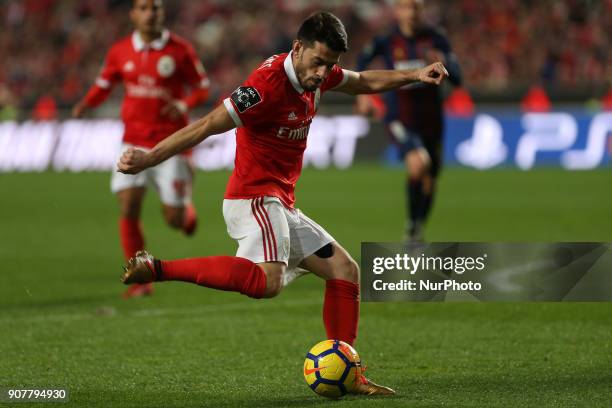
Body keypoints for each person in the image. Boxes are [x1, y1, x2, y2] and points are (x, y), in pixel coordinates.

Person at [118, 11, 447, 395]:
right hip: (253, 197)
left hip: (281, 203)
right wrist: (150, 157)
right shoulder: (265, 87)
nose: (324, 73)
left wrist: (414, 74)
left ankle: (349, 370)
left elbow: (361, 80)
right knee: (268, 282)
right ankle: (157, 268)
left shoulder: (317, 75)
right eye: (319, 62)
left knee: (344, 270)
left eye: (331, 64)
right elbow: (207, 124)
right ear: (297, 48)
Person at [73, 0, 210, 298]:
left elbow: (202, 87)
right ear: (133, 14)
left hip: (170, 143)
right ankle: (141, 279)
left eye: (156, 8)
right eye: (144, 8)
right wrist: (86, 104)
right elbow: (104, 84)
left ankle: (187, 216)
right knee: (128, 205)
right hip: (132, 141)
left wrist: (184, 103)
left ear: (162, 13)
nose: (150, 13)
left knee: (174, 220)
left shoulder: (180, 49)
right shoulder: (119, 51)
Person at [355, 0, 462, 242]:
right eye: (406, 7)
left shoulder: (436, 39)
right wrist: (362, 97)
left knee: (430, 180)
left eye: (416, 7)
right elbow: (361, 64)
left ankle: (416, 227)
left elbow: (458, 78)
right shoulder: (387, 40)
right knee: (418, 164)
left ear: (422, 11)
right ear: (398, 11)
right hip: (400, 117)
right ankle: (413, 227)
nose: (411, 13)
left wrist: (444, 64)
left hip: (432, 119)